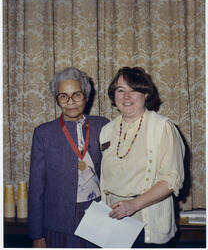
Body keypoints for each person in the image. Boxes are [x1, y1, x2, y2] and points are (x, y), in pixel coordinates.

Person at [100, 66, 185, 247]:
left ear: (146, 94)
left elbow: (171, 180)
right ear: (113, 96)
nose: (126, 97)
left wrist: (134, 205)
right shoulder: (106, 131)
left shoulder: (162, 127)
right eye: (120, 90)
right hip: (113, 223)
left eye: (134, 90)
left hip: (149, 225)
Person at [28, 67, 109, 248]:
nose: (70, 102)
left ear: (86, 96)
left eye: (77, 95)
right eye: (63, 96)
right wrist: (37, 234)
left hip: (98, 214)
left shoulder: (103, 126)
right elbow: (36, 188)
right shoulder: (44, 133)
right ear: (57, 99)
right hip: (59, 221)